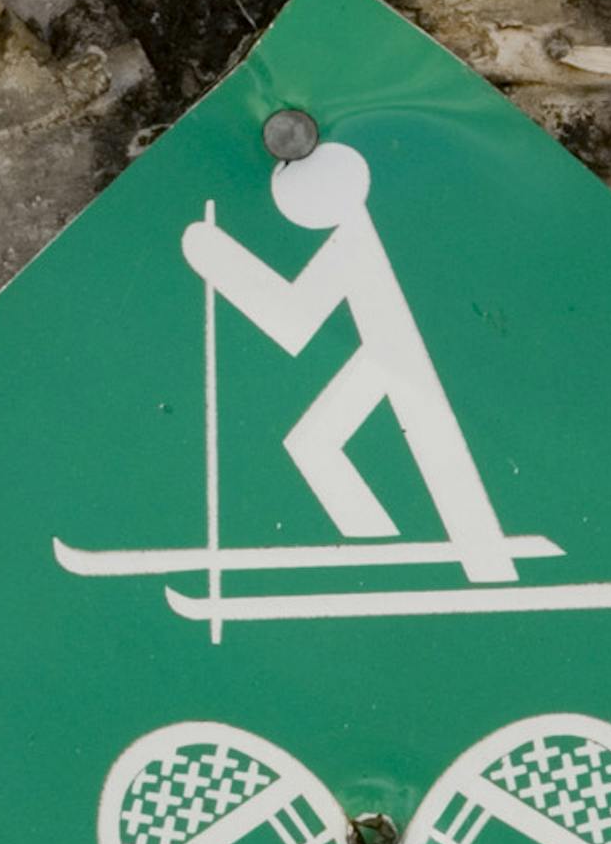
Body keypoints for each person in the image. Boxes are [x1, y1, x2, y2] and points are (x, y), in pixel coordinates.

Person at [180, 142, 513, 586]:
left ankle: (480, 562)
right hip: (383, 361)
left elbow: (293, 320)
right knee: (320, 444)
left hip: (395, 361)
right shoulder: (353, 232)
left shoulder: (353, 238)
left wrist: (214, 256)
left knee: (426, 457)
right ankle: (398, 543)